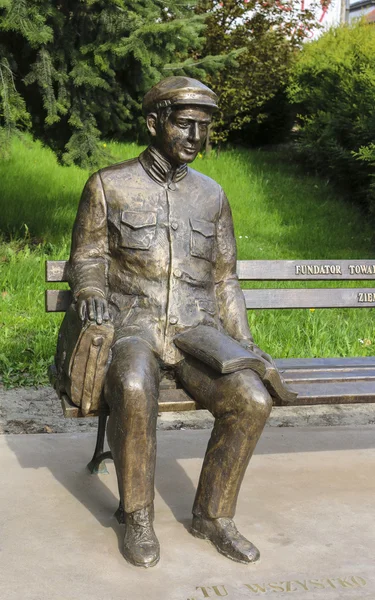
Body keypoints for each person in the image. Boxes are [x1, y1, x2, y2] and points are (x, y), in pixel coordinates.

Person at [68, 76, 273, 568]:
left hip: (197, 330)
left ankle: (213, 516)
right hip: (132, 324)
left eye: (204, 128)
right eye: (185, 125)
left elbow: (226, 278)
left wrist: (244, 342)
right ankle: (136, 514)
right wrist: (92, 293)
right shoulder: (108, 184)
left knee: (252, 398)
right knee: (136, 386)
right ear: (154, 123)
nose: (196, 138)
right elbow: (87, 258)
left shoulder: (212, 195)